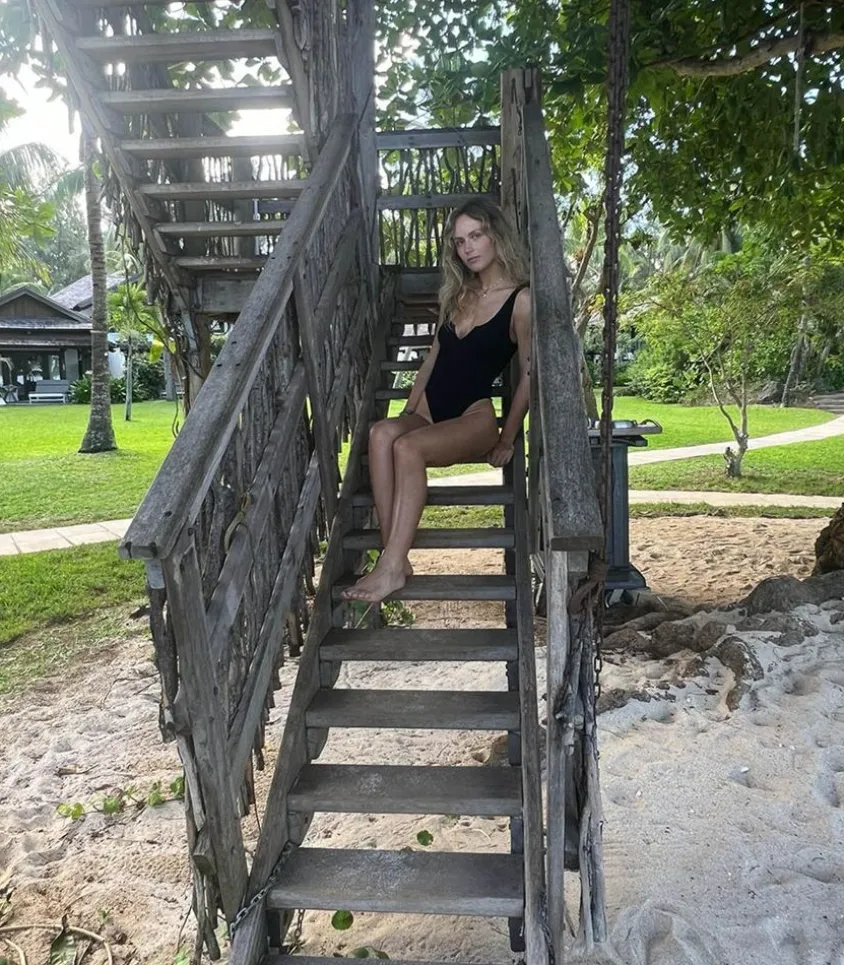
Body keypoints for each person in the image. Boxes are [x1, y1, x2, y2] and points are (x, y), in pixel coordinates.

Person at [341, 197, 532, 604]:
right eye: (460, 241)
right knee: (381, 434)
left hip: (474, 417)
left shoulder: (521, 300)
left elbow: (531, 374)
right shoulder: (458, 295)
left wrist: (507, 438)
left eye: (476, 236)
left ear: (496, 236)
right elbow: (433, 358)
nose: (468, 248)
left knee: (407, 448)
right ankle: (394, 557)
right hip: (430, 410)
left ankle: (391, 564)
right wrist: (411, 408)